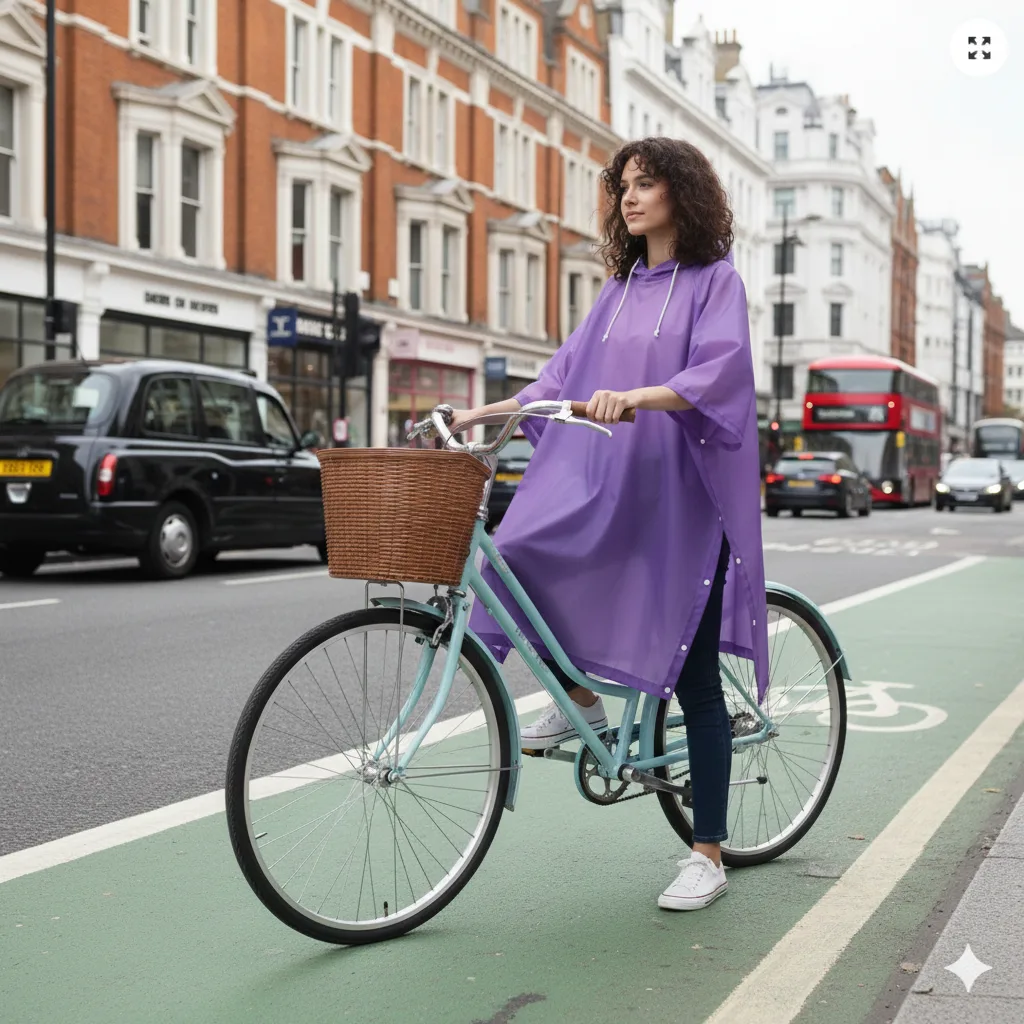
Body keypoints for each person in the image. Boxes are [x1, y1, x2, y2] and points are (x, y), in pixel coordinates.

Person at [449, 137, 769, 912]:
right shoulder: (619, 288)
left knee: (693, 679)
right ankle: (581, 704)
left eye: (647, 184)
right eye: (623, 185)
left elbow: (718, 374)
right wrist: (482, 411)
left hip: (683, 499)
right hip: (614, 485)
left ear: (680, 195)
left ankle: (708, 854)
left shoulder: (714, 282)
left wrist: (640, 395)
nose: (630, 197)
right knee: (516, 560)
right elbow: (562, 375)